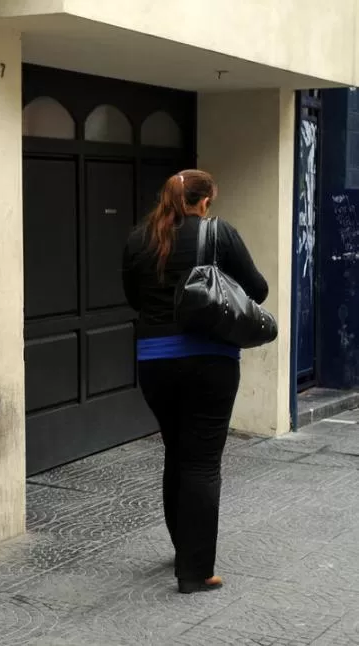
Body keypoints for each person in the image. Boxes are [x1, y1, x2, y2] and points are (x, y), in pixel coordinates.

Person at [121, 169, 268, 594]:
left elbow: (133, 297)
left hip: (154, 362)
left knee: (177, 451)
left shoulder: (138, 239)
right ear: (204, 202)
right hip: (210, 360)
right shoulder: (219, 235)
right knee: (202, 462)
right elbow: (257, 290)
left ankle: (183, 546)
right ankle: (195, 571)